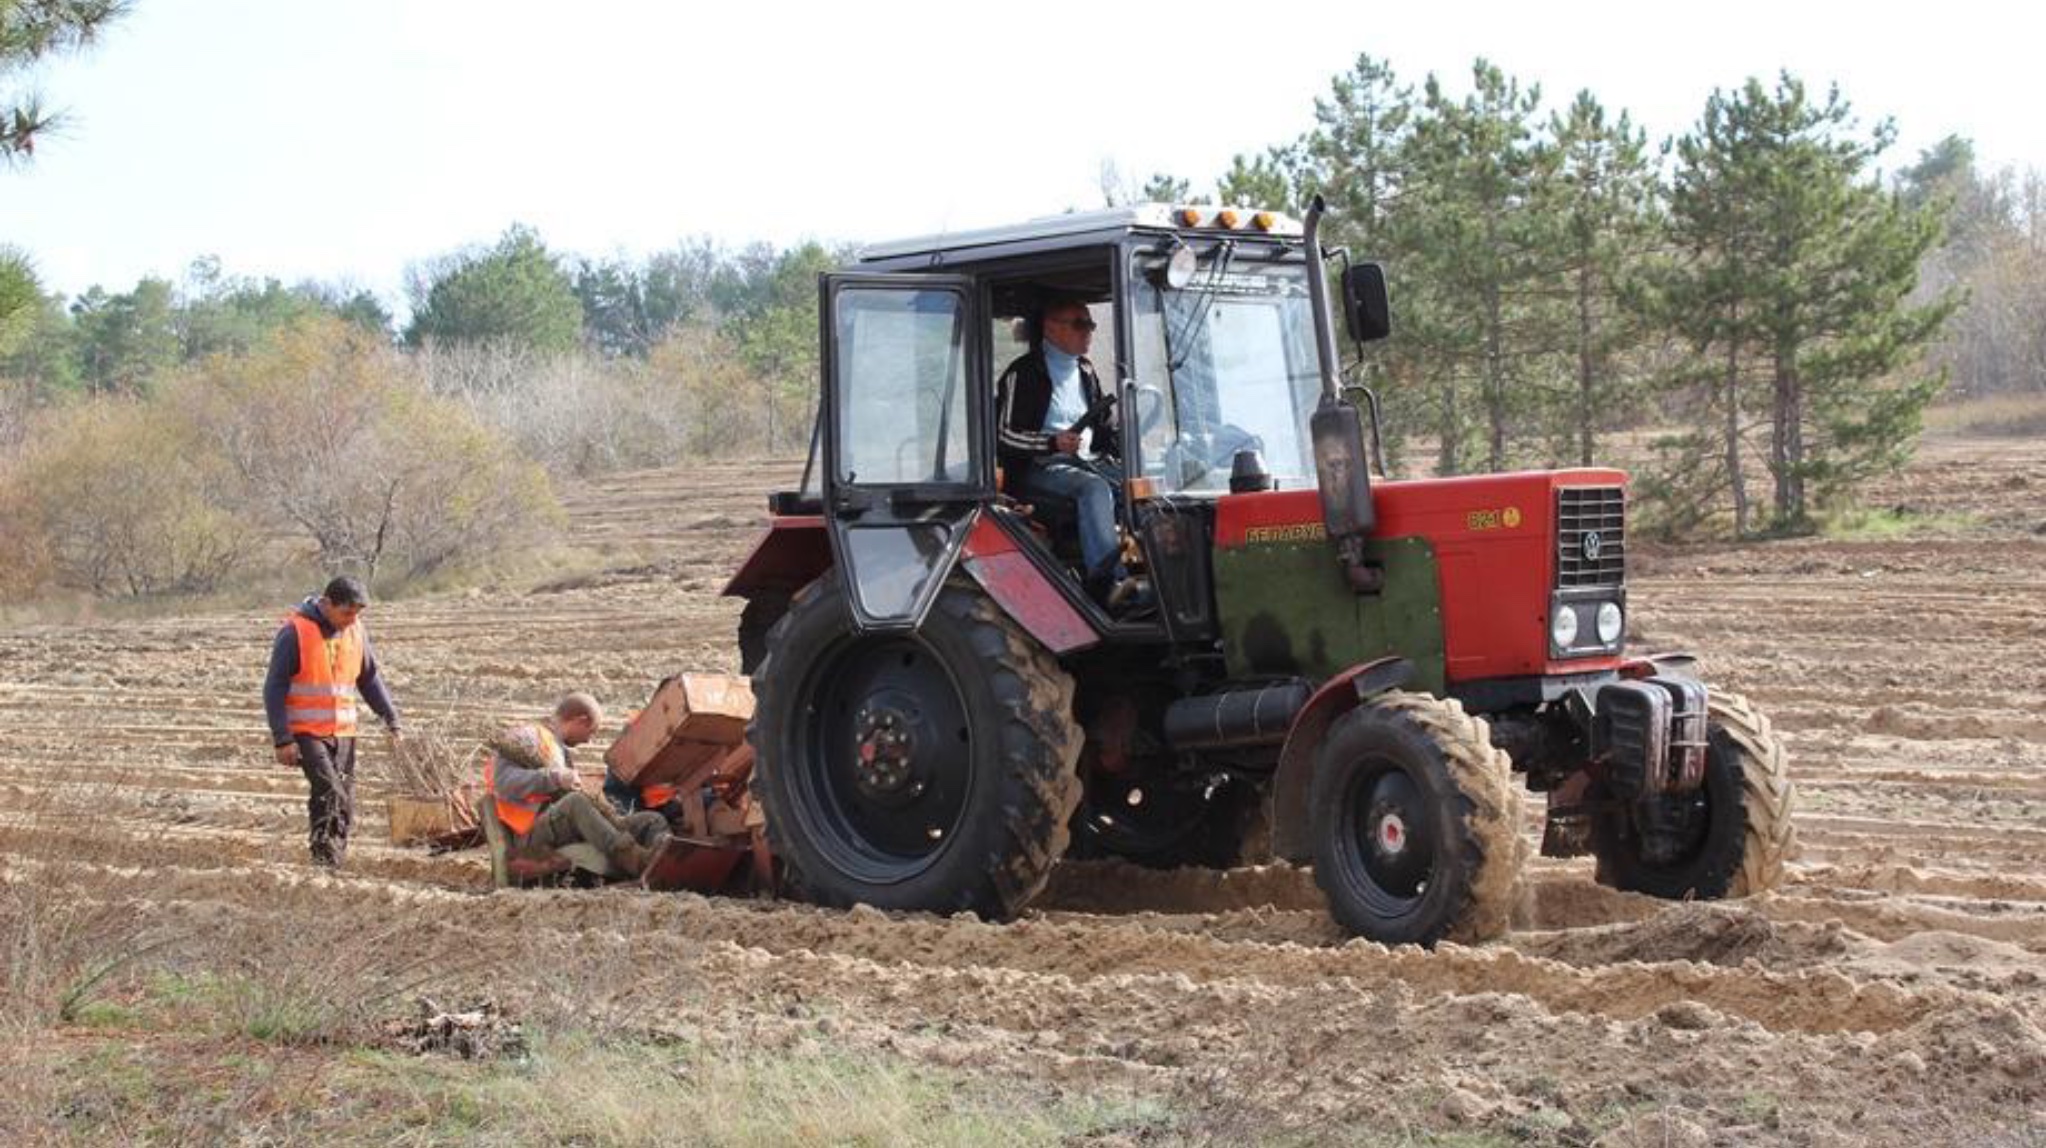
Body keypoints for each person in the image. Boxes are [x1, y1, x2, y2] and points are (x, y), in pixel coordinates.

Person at [996, 297, 1146, 611]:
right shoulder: (1023, 373)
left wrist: (1134, 447)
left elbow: (1105, 429)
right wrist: (1051, 443)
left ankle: (1150, 573)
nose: (1089, 331)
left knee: (1142, 484)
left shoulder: (1086, 371)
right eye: (1080, 324)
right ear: (1050, 327)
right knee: (1093, 489)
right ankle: (1108, 584)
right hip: (1039, 468)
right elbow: (1004, 436)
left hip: (1087, 462)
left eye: (1091, 324)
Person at [265, 575, 401, 867]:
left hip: (344, 733)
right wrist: (282, 738)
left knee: (342, 800)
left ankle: (330, 861)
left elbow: (369, 679)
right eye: (346, 613)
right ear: (327, 604)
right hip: (306, 733)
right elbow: (274, 686)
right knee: (330, 792)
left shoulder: (356, 632)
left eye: (357, 614)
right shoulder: (295, 632)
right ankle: (326, 860)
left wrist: (391, 719)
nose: (352, 620)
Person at [484, 692, 669, 880]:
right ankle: (635, 861)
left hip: (558, 826)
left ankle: (665, 858)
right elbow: (503, 783)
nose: (589, 740)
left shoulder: (559, 749)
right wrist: (555, 778)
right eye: (591, 732)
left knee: (651, 820)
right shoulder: (528, 737)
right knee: (576, 802)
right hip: (527, 835)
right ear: (580, 720)